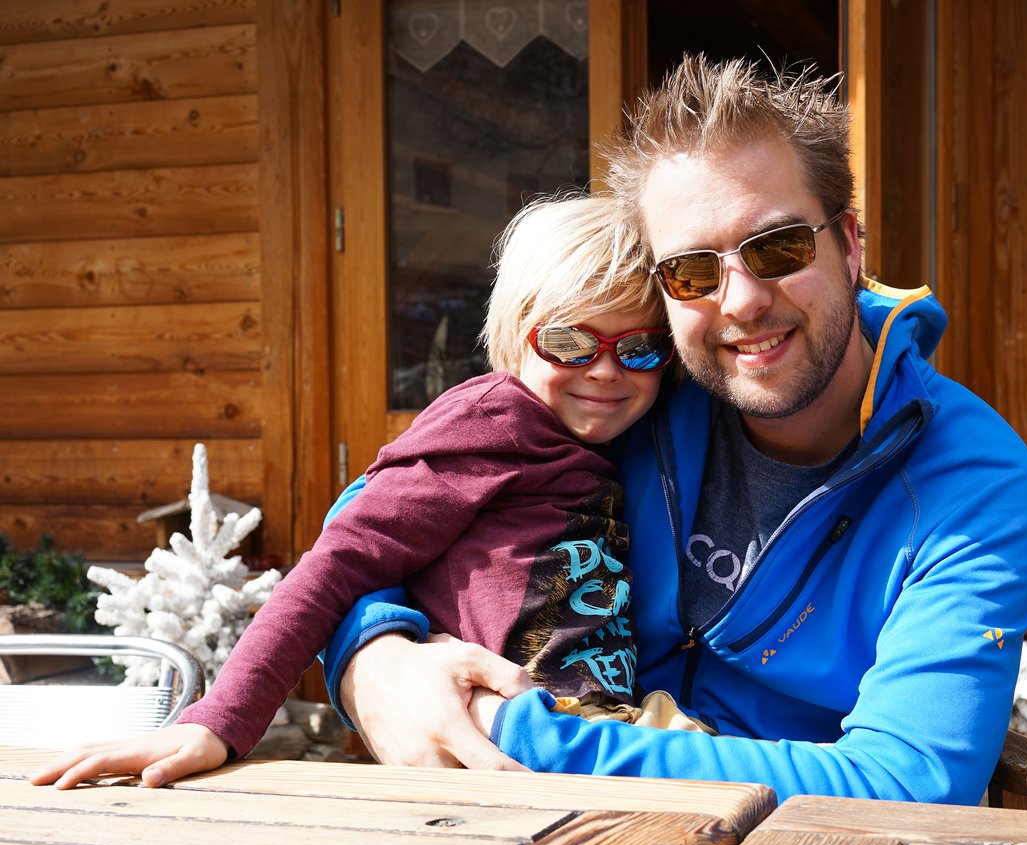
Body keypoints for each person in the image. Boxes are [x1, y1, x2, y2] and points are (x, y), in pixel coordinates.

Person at [317, 54, 1027, 805]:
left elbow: (906, 783)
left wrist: (512, 731)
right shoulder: (635, 383)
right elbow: (372, 511)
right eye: (691, 272)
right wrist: (375, 659)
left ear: (850, 244)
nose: (739, 301)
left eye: (778, 247)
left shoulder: (975, 487)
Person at [32, 192, 696, 789]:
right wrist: (220, 720)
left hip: (601, 720)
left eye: (639, 348)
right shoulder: (492, 423)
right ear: (516, 334)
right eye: (570, 342)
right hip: (512, 731)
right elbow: (337, 564)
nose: (605, 370)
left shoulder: (612, 441)